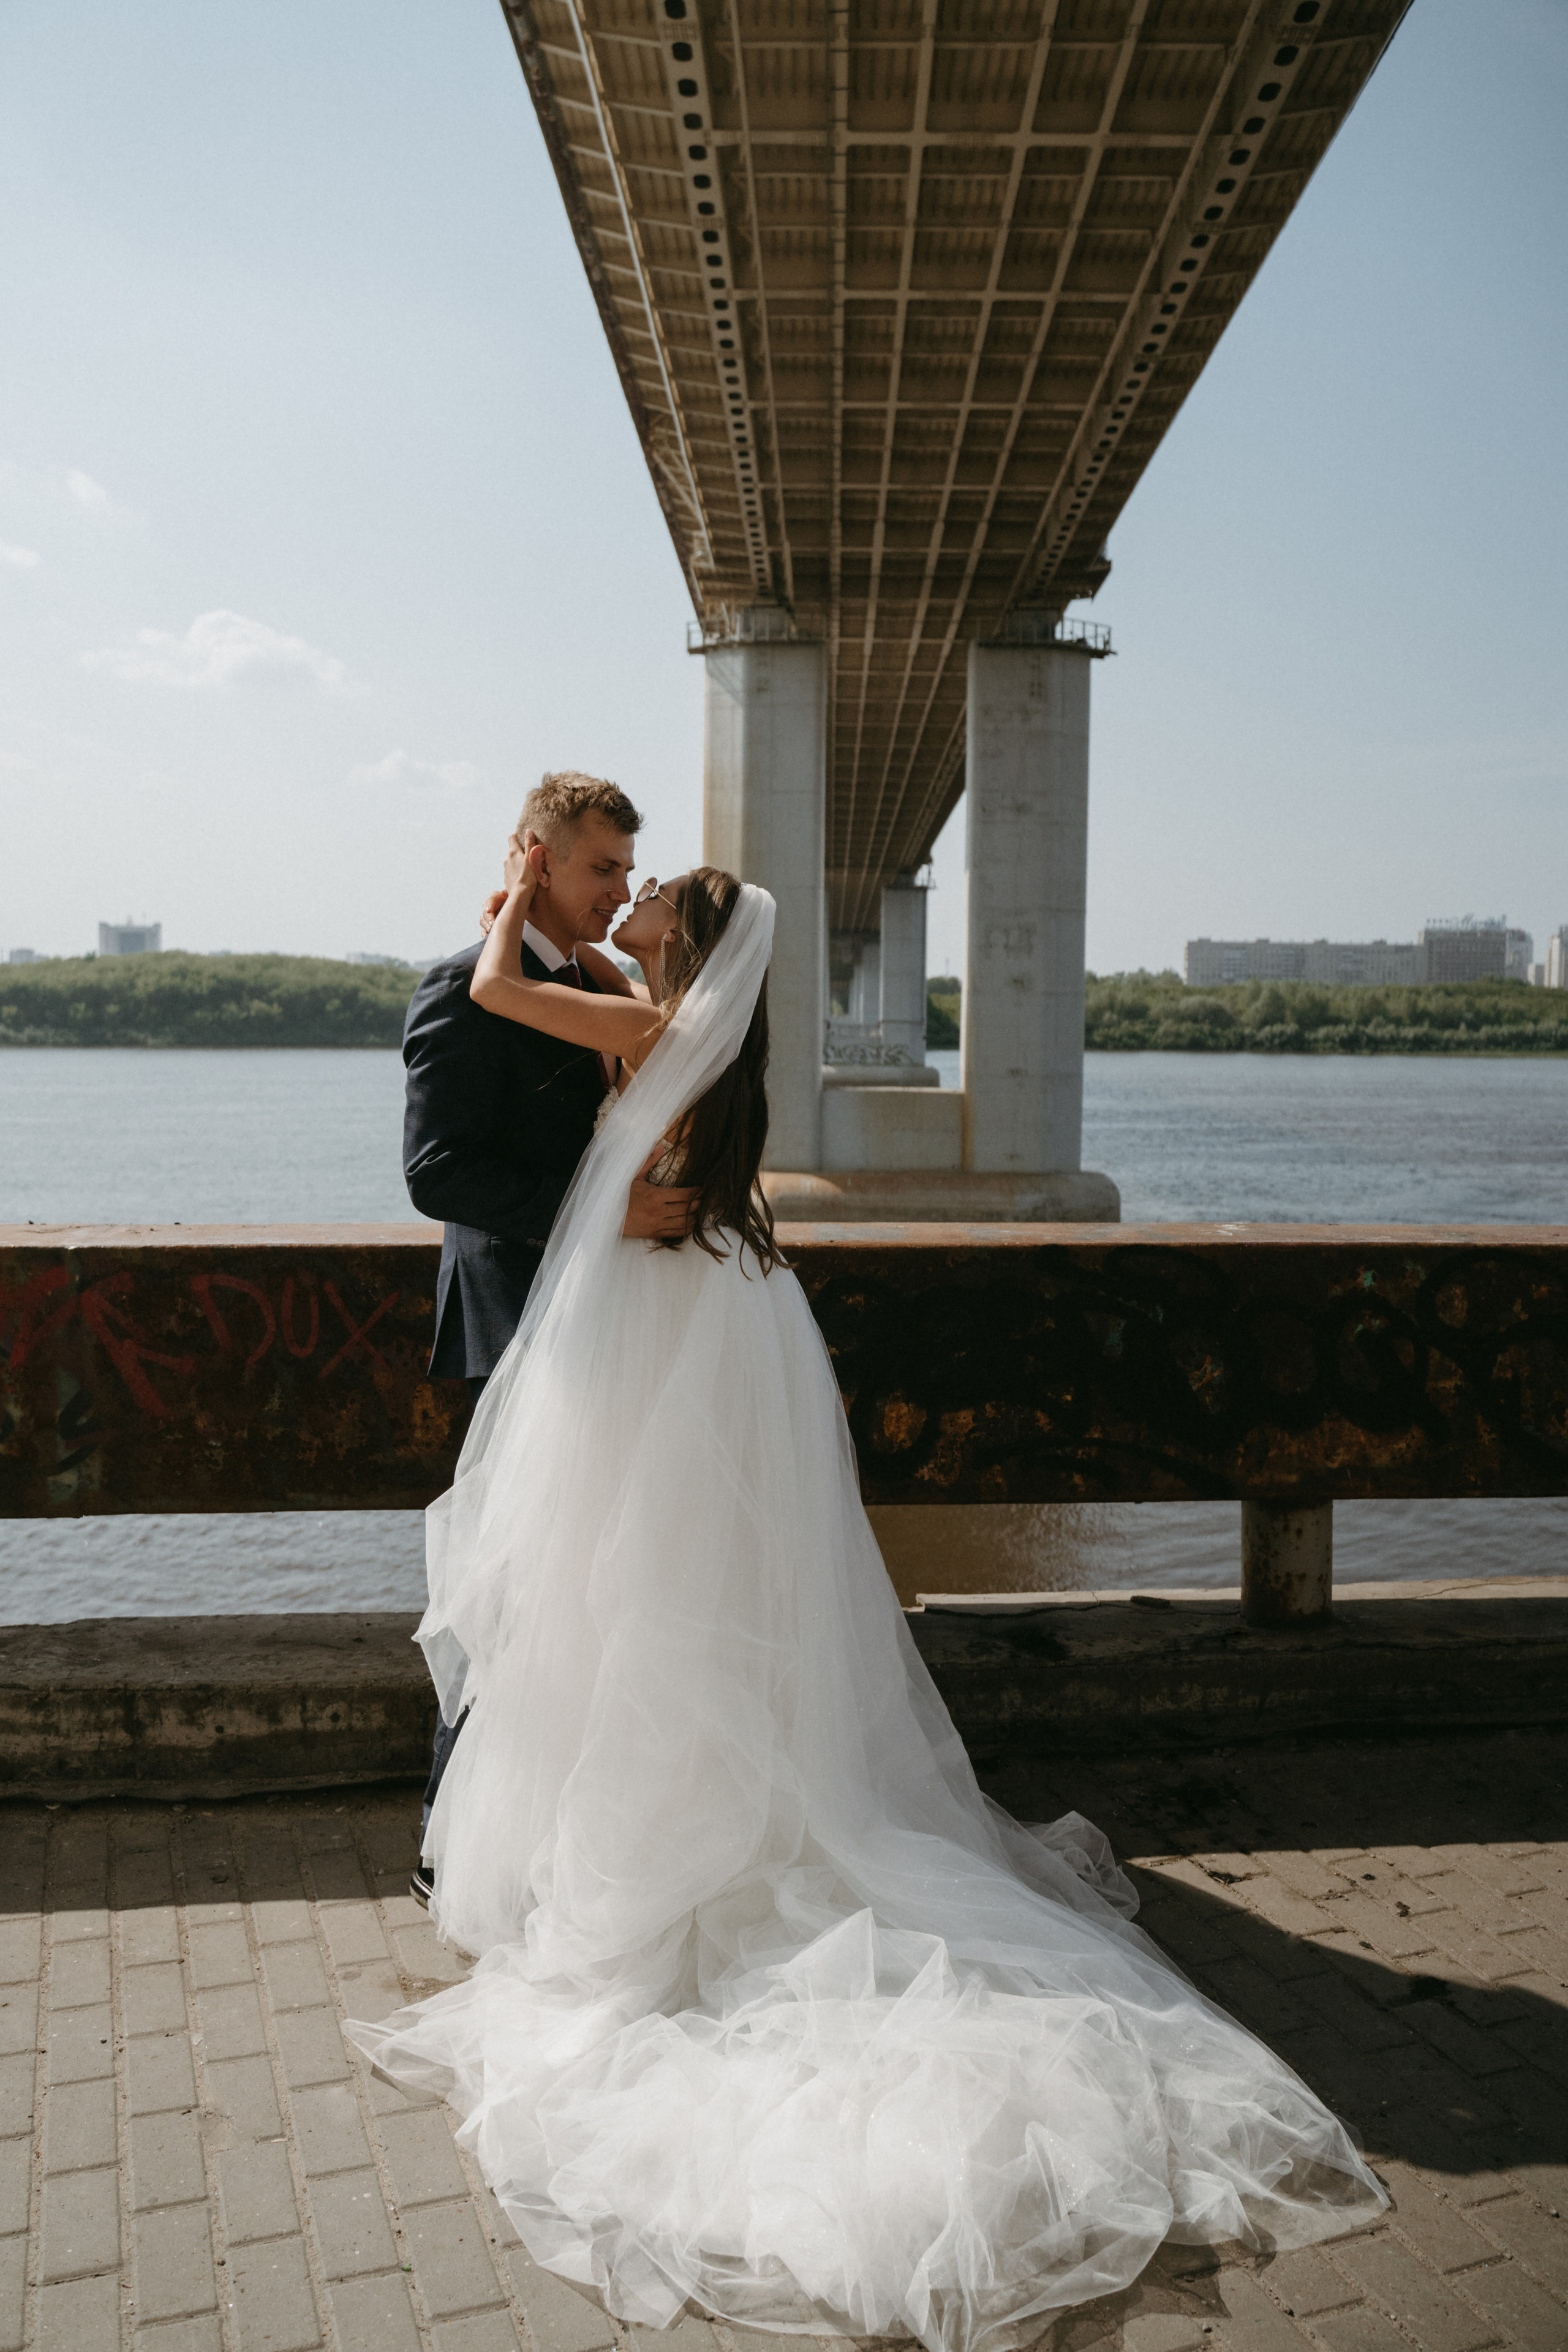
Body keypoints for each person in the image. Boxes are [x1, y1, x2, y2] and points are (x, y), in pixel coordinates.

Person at [350, 849, 1387, 2352]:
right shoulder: (672, 1017)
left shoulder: (648, 1026)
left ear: (687, 942)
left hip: (669, 1329)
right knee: (670, 1594)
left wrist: (515, 886)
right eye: (610, 879)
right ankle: (679, 1822)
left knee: (644, 1594)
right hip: (709, 1319)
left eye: (645, 896)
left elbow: (509, 996)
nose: (626, 902)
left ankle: (653, 1856)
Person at [400, 771, 696, 1893]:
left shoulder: (600, 981)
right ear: (536, 857)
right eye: (601, 867)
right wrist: (604, 1213)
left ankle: (572, 1844)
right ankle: (454, 1851)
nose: (619, 888)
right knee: (505, 1589)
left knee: (600, 1589)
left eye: (629, 867)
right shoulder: (460, 989)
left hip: (613, 1324)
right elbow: (437, 1173)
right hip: (518, 1324)